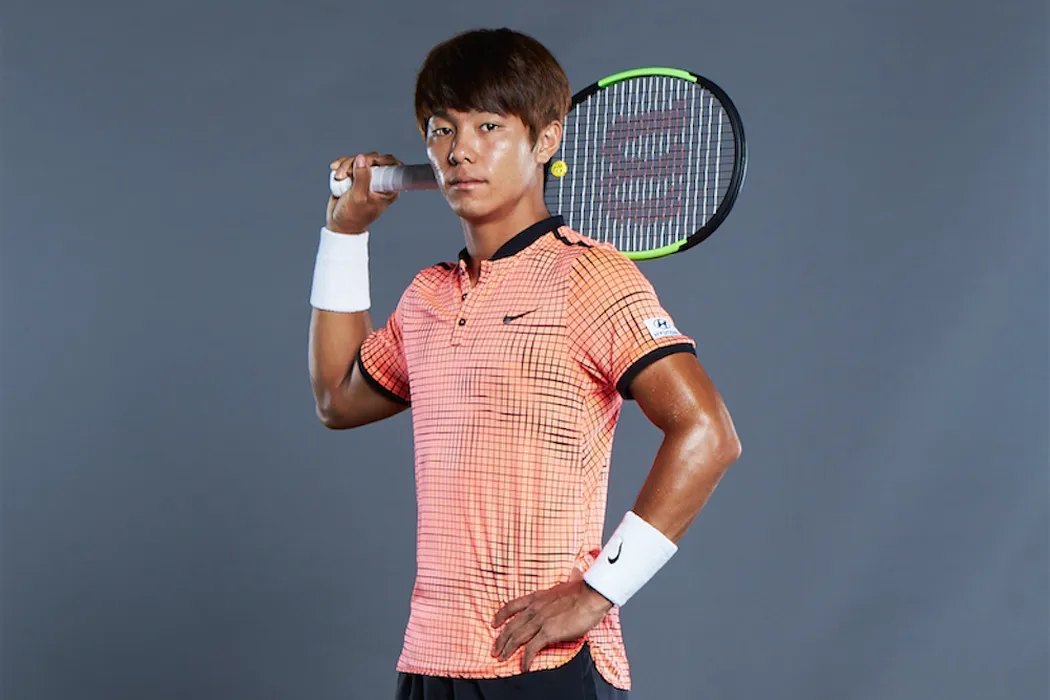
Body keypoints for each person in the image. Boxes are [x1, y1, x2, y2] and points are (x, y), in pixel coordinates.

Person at [307, 27, 741, 700]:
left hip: (544, 665)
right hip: (431, 658)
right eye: (442, 129)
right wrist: (344, 232)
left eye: (488, 126)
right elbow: (337, 399)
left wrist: (599, 591)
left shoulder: (589, 277)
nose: (460, 150)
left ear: (545, 141)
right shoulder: (427, 296)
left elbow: (709, 434)